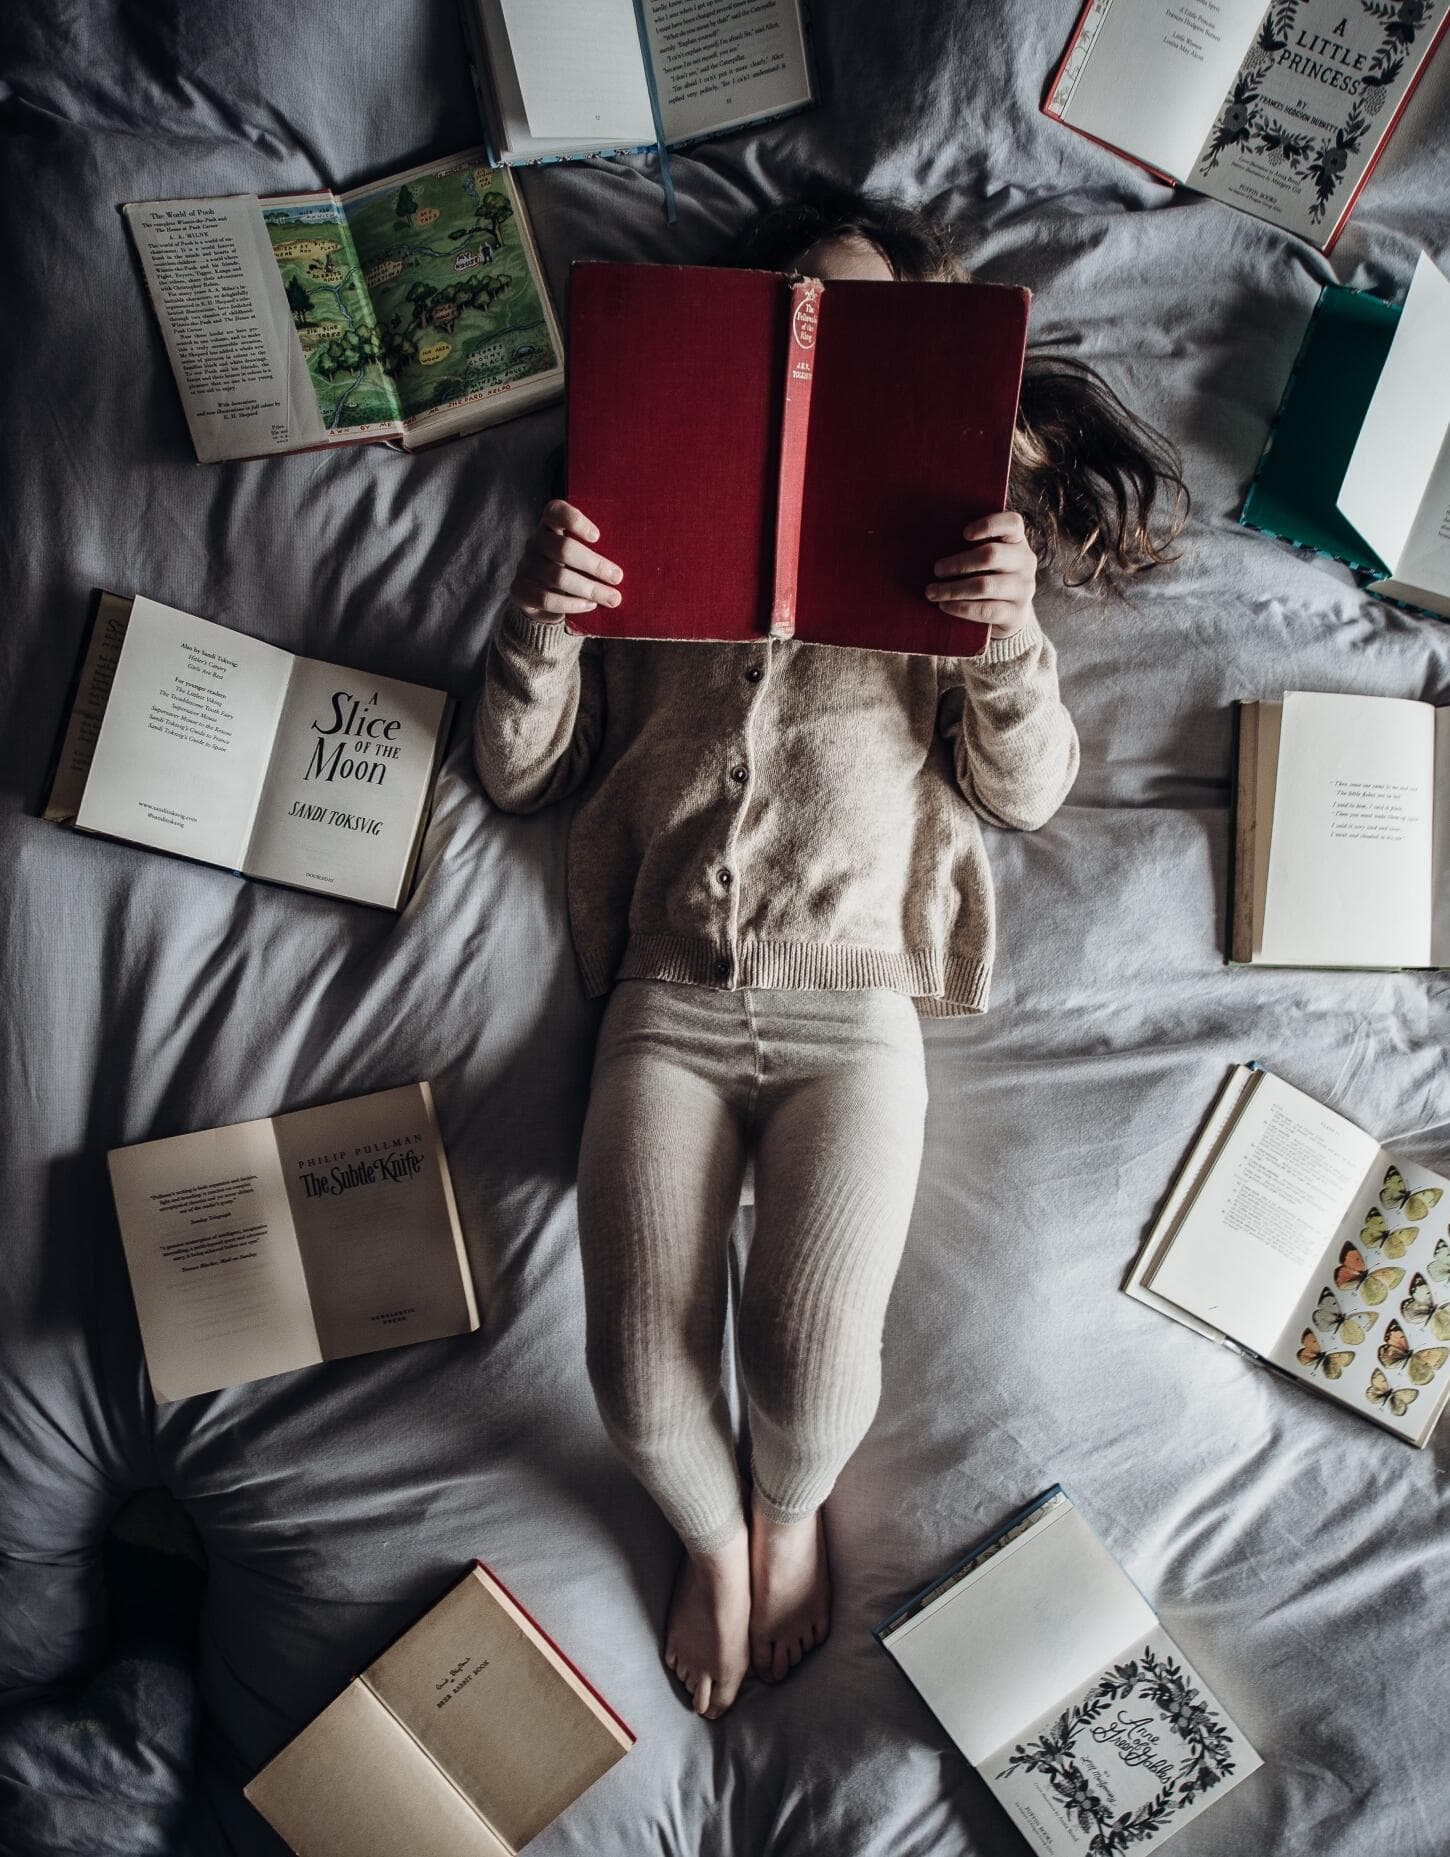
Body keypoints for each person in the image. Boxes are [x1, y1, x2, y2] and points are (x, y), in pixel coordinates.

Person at [474, 194, 1185, 1720]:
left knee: (802, 1362)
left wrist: (1004, 633)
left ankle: (789, 1513)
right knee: (633, 1371)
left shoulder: (947, 544)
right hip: (662, 1002)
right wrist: (540, 623)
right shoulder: (654, 520)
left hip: (854, 1006)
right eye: (792, 306)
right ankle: (717, 1540)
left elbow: (1027, 788)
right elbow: (524, 771)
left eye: (854, 323)